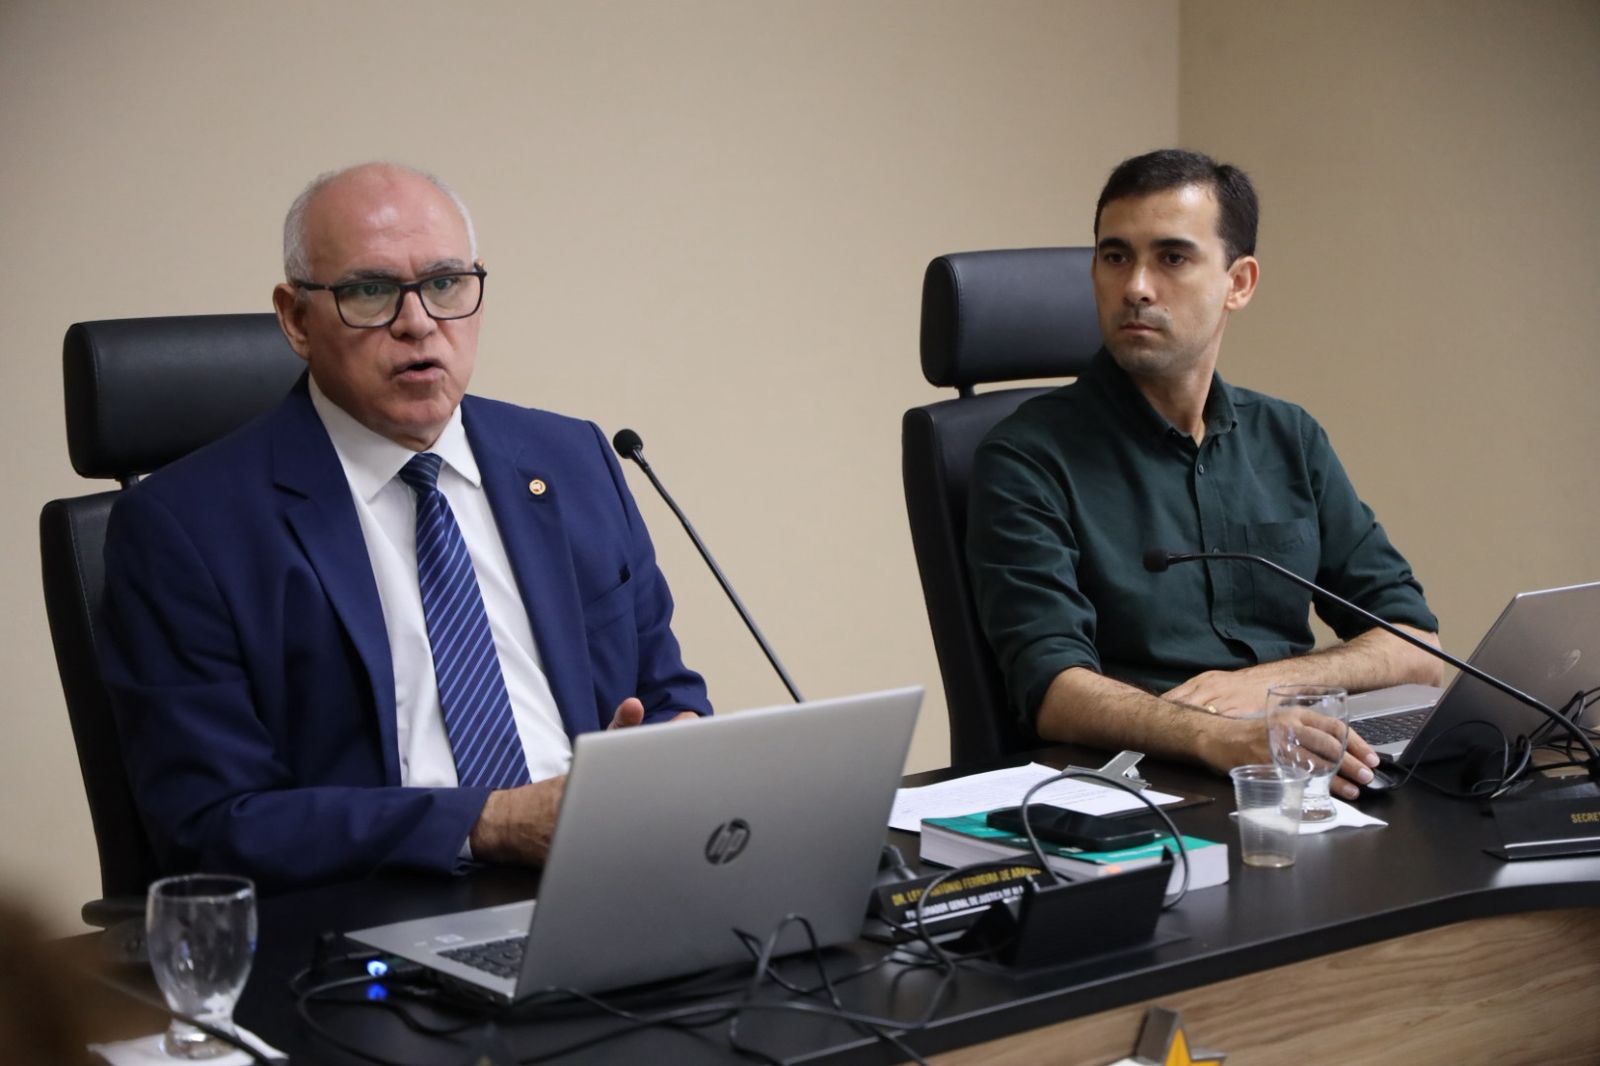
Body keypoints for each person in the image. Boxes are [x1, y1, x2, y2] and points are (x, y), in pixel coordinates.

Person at [99, 163, 710, 889]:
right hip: (384, 908)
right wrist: (489, 824)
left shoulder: (574, 460)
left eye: (446, 283)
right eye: (370, 291)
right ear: (296, 319)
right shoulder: (185, 529)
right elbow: (212, 823)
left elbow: (668, 696)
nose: (418, 322)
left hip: (607, 875)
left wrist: (672, 757)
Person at [967, 149, 1442, 800]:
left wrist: (1268, 689)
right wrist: (1213, 734)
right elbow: (1052, 690)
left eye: (1172, 257)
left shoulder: (1289, 437)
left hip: (1293, 760)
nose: (1136, 286)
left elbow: (1417, 647)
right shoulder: (1025, 456)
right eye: (1115, 257)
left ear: (1238, 283)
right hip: (1140, 787)